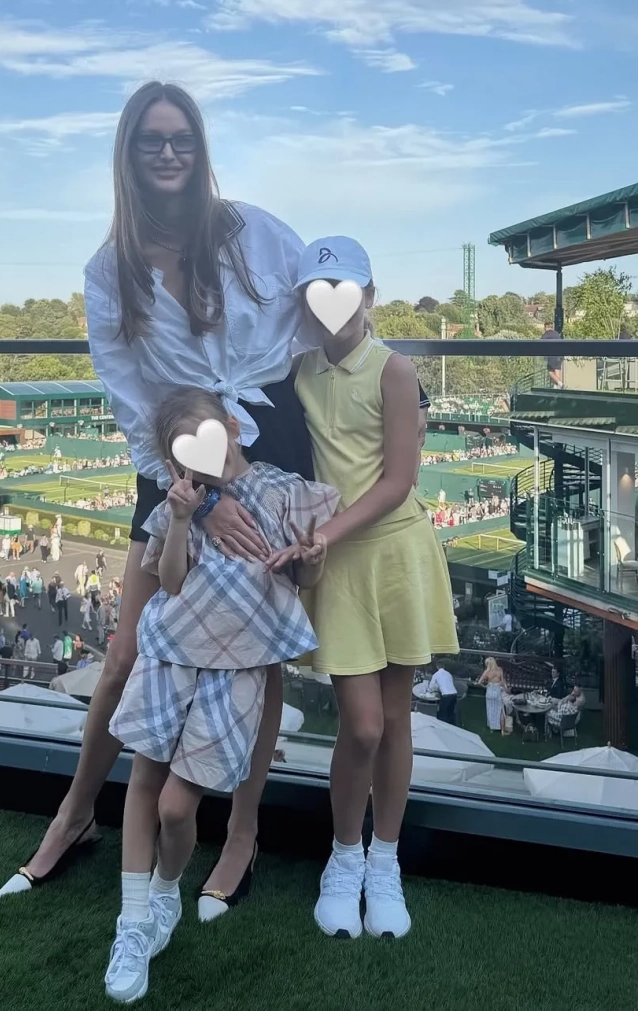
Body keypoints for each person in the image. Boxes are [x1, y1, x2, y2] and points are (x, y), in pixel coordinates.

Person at [0, 80, 321, 909]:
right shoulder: (108, 272)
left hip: (269, 444)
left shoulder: (251, 230)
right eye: (152, 139)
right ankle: (75, 813)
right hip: (175, 458)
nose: (169, 151)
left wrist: (383, 381)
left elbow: (326, 298)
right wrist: (201, 500)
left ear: (200, 148)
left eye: (182, 137)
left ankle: (241, 832)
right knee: (126, 652)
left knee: (260, 653)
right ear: (130, 153)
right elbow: (130, 397)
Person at [103, 388, 337, 1001]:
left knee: (177, 807)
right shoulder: (183, 503)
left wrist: (312, 557)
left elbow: (305, 575)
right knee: (143, 782)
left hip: (238, 668)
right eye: (186, 455)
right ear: (174, 463)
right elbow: (170, 583)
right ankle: (133, 921)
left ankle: (165, 890)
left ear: (233, 426)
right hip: (169, 654)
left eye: (209, 438)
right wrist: (183, 517)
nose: (203, 460)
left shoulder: (282, 491)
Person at [272, 235, 458, 941]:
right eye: (317, 295)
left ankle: (385, 860)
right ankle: (344, 856)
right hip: (340, 562)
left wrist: (326, 531)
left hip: (395, 551)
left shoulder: (395, 370)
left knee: (397, 716)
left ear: (369, 297)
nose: (332, 308)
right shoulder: (298, 371)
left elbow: (399, 481)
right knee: (363, 724)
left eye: (345, 292)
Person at [478, 656, 508, 732]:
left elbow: (479, 682)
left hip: (490, 691)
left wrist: (485, 686)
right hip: (497, 691)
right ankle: (501, 728)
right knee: (500, 710)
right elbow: (502, 682)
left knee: (490, 710)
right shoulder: (500, 670)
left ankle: (492, 727)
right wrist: (505, 688)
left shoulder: (487, 672)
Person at [428, 661, 458, 726]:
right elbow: (447, 684)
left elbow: (431, 687)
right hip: (454, 694)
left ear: (437, 667)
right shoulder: (449, 674)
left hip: (446, 695)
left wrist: (429, 691)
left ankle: (442, 727)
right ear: (444, 667)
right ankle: (452, 726)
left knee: (443, 714)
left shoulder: (436, 675)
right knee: (450, 713)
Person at [541, 321, 563, 388]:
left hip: (552, 355)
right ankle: (557, 387)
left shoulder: (546, 335)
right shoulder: (556, 333)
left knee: (550, 371)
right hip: (560, 355)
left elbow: (539, 344)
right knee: (557, 370)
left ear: (545, 327)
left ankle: (561, 384)